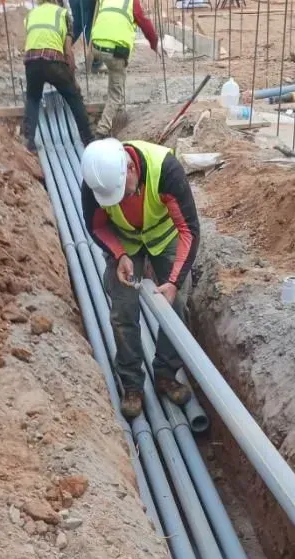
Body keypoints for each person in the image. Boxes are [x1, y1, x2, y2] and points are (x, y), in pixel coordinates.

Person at [81, 136, 199, 419]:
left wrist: (172, 282)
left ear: (131, 170)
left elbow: (188, 229)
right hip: (125, 242)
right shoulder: (95, 183)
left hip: (165, 236)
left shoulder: (166, 170)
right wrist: (120, 254)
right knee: (123, 310)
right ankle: (132, 383)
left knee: (177, 304)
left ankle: (166, 373)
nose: (118, 201)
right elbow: (96, 227)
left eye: (122, 193)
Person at [23, 0, 95, 153]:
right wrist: (73, 79)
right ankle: (88, 138)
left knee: (33, 98)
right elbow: (67, 52)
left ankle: (29, 141)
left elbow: (32, 39)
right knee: (73, 97)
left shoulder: (31, 14)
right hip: (53, 61)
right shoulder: (63, 15)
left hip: (32, 61)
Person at [89, 0, 159, 138]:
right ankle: (102, 130)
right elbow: (145, 24)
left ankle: (112, 107)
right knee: (115, 94)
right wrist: (154, 43)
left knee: (112, 68)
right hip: (115, 52)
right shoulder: (133, 2)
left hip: (96, 47)